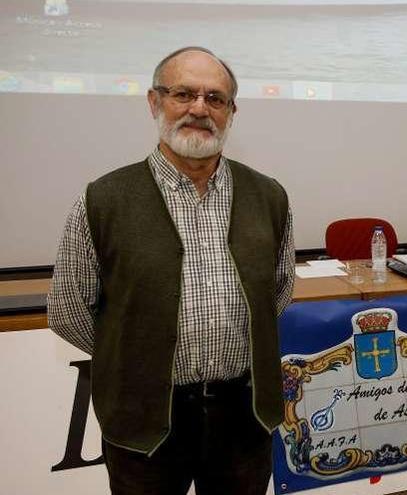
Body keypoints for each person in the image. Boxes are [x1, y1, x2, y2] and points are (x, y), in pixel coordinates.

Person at [47, 46, 295, 495]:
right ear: (154, 101)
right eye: (183, 93)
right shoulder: (102, 200)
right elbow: (68, 309)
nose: (199, 109)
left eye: (215, 98)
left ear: (231, 112)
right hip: (144, 429)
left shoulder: (269, 196)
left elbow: (277, 291)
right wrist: (136, 359)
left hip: (244, 419)